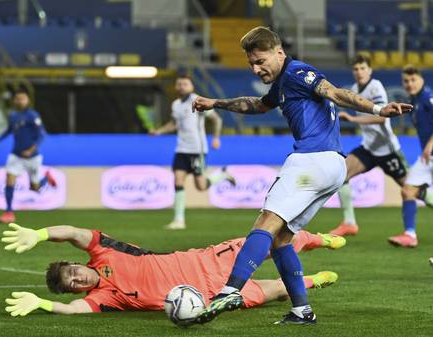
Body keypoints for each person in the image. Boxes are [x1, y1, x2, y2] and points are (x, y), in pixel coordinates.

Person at [191, 26, 411, 325]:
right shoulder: (284, 82)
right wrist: (215, 103)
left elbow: (334, 92)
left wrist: (378, 108)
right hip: (332, 165)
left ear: (278, 52)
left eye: (260, 61)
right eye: (251, 64)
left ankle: (230, 290)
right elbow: (258, 105)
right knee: (282, 239)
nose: (256, 69)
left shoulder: (297, 73)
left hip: (311, 160)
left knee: (266, 223)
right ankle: (301, 310)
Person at [1, 223, 345, 316]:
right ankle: (316, 281)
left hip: (206, 260)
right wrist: (44, 304)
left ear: (76, 262)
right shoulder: (105, 297)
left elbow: (75, 233)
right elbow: (74, 310)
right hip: (208, 297)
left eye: (72, 271)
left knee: (275, 240)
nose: (77, 278)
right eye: (72, 283)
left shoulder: (103, 251)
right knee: (279, 290)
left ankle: (321, 240)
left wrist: (40, 234)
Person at [330, 54, 411, 236]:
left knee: (412, 190)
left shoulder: (375, 87)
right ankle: (349, 222)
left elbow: (383, 118)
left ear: (370, 70)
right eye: (356, 69)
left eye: (363, 68)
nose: (359, 72)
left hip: (387, 150)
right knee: (341, 174)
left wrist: (352, 118)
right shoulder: (354, 89)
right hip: (369, 148)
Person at [150, 75, 235, 230]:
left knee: (201, 186)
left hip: (197, 150)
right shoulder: (175, 104)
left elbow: (217, 119)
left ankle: (223, 175)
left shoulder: (198, 101)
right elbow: (174, 124)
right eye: (179, 83)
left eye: (185, 84)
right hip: (181, 149)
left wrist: (216, 138)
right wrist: (159, 131)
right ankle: (178, 220)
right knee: (178, 181)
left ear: (191, 86)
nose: (182, 86)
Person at [0, 89, 56, 224]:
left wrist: (31, 149)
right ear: (14, 100)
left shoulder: (32, 115)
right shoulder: (13, 115)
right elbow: (9, 130)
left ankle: (46, 178)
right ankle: (9, 212)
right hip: (16, 155)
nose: (20, 101)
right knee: (9, 178)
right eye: (18, 99)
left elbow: (41, 135)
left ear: (27, 100)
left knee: (35, 188)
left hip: (33, 157)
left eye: (22, 98)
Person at [388, 65, 433, 248]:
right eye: (406, 81)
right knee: (408, 190)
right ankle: (410, 234)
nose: (409, 84)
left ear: (421, 79)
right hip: (427, 158)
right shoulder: (413, 102)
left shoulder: (428, 98)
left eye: (413, 80)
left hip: (430, 151)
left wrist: (430, 144)